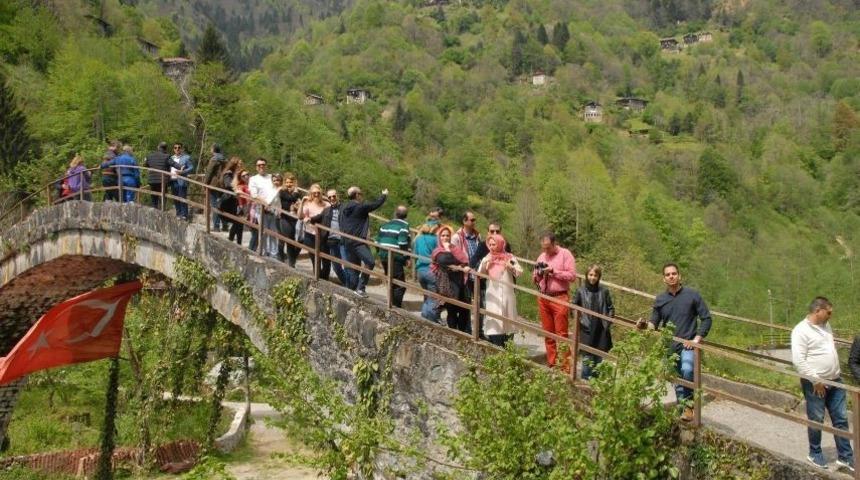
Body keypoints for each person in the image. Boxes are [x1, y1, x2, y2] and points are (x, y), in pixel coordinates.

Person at [791, 297, 855, 472]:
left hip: (835, 381)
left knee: (841, 419)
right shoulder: (800, 331)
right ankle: (815, 452)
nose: (831, 315)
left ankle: (845, 456)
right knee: (817, 419)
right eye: (829, 312)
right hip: (815, 384)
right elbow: (798, 360)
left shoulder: (826, 327)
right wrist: (815, 380)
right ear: (818, 310)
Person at [644, 263, 711, 422]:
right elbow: (654, 322)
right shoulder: (661, 299)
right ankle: (684, 411)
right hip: (670, 346)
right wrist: (645, 325)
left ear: (679, 276)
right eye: (668, 274)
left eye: (674, 273)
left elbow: (707, 318)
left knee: (687, 370)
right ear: (663, 279)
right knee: (677, 379)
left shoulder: (692, 295)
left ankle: (688, 407)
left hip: (688, 345)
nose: (671, 276)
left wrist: (696, 339)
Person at [532, 232, 576, 372]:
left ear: (554, 243)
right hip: (544, 296)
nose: (546, 251)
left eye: (548, 247)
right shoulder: (541, 256)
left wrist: (553, 271)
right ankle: (552, 364)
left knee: (561, 334)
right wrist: (538, 275)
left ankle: (565, 367)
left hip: (559, 298)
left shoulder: (565, 254)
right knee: (548, 333)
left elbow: (572, 276)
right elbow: (535, 278)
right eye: (543, 248)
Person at [340, 186, 388, 297]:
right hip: (357, 242)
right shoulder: (360, 206)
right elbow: (376, 204)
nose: (362, 196)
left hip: (347, 241)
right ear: (357, 195)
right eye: (361, 193)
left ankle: (352, 291)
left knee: (354, 268)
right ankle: (360, 288)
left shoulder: (344, 207)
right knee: (370, 262)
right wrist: (384, 195)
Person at [477, 234, 521, 347]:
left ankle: (508, 347)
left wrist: (511, 267)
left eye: (494, 244)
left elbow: (519, 272)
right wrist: (485, 265)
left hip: (507, 294)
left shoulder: (509, 257)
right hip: (493, 295)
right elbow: (479, 274)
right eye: (490, 244)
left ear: (500, 244)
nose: (491, 247)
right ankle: (497, 346)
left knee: (508, 320)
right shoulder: (487, 258)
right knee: (494, 320)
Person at [572, 265, 615, 380]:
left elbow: (610, 308)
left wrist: (608, 322)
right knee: (587, 359)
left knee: (598, 359)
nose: (593, 277)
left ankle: (595, 384)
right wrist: (581, 321)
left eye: (595, 275)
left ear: (599, 276)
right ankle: (584, 383)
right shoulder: (580, 291)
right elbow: (573, 307)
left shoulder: (604, 291)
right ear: (586, 275)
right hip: (586, 329)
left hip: (601, 329)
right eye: (590, 275)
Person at [432, 225, 471, 334]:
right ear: (439, 237)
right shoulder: (438, 251)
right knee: (452, 310)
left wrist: (461, 266)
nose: (445, 238)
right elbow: (445, 260)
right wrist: (448, 249)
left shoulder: (455, 249)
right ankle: (454, 333)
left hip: (460, 282)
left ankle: (462, 333)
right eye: (443, 236)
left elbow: (464, 260)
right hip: (447, 285)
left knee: (464, 310)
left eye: (447, 236)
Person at [309, 189, 348, 284]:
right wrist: (308, 219)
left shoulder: (345, 208)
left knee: (347, 264)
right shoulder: (326, 210)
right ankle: (347, 284)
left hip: (344, 240)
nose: (332, 198)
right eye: (330, 197)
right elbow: (316, 218)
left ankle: (351, 285)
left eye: (334, 196)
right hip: (331, 241)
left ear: (337, 196)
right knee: (336, 266)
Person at [376, 205, 411, 308]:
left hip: (384, 255)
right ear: (406, 215)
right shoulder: (404, 225)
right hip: (395, 257)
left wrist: (380, 254)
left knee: (391, 280)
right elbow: (402, 242)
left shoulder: (385, 224)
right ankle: (395, 306)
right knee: (400, 285)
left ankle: (390, 303)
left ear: (395, 213)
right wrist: (406, 258)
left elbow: (377, 241)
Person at [248, 158, 278, 256]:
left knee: (273, 232)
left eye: (263, 164)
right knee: (263, 232)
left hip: (273, 209)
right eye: (259, 165)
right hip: (261, 209)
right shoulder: (253, 179)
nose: (261, 166)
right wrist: (265, 203)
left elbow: (277, 187)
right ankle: (265, 251)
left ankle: (274, 253)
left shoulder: (271, 177)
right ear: (256, 167)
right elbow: (254, 195)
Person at [300, 183, 330, 273]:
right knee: (315, 259)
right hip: (310, 234)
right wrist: (302, 202)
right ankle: (317, 278)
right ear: (311, 194)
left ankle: (325, 279)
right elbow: (300, 216)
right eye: (314, 193)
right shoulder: (308, 203)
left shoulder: (327, 205)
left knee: (326, 260)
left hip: (324, 236)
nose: (316, 195)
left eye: (318, 193)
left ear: (321, 193)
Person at [414, 220, 440, 322]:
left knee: (426, 295)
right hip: (431, 270)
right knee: (433, 297)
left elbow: (415, 254)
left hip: (420, 270)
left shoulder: (418, 238)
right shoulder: (435, 239)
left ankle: (424, 316)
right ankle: (431, 320)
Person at [275, 172, 303, 267]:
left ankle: (291, 259)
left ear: (294, 183)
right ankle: (291, 263)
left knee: (301, 240)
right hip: (285, 218)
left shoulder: (298, 192)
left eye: (291, 182)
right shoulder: (282, 191)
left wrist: (297, 204)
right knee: (289, 240)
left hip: (296, 219)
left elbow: (301, 201)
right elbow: (290, 199)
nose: (288, 184)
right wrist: (295, 194)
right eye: (287, 182)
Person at [217, 156, 243, 233]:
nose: (241, 165)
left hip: (235, 199)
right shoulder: (228, 173)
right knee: (234, 220)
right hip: (229, 199)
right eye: (240, 164)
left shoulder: (238, 173)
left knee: (236, 221)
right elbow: (228, 184)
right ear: (235, 164)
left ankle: (233, 238)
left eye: (241, 164)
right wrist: (238, 187)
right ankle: (230, 236)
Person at [204, 143, 227, 231]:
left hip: (214, 185)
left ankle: (216, 226)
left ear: (213, 149)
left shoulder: (214, 159)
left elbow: (209, 172)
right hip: (223, 184)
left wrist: (205, 183)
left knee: (214, 205)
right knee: (222, 204)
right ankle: (225, 225)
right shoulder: (225, 159)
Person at [169, 143, 193, 220]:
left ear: (181, 149)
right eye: (175, 147)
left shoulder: (186, 157)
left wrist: (183, 172)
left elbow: (191, 167)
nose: (177, 149)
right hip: (172, 180)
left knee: (182, 197)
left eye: (179, 147)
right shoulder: (171, 158)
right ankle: (178, 213)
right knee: (175, 198)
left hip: (181, 180)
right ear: (173, 149)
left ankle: (184, 215)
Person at [143, 142, 171, 209]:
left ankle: (154, 210)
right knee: (163, 196)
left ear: (158, 147)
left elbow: (145, 165)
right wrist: (181, 167)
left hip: (153, 180)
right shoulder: (167, 156)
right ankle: (162, 211)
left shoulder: (150, 156)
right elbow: (173, 164)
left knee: (154, 197)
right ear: (165, 148)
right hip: (163, 180)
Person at [229, 169, 251, 245]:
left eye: (247, 174)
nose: (246, 176)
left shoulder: (250, 184)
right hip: (241, 207)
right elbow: (238, 192)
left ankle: (237, 242)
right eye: (243, 176)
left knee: (239, 225)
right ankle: (232, 240)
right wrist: (249, 196)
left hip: (247, 207)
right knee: (237, 225)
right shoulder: (240, 185)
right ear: (240, 177)